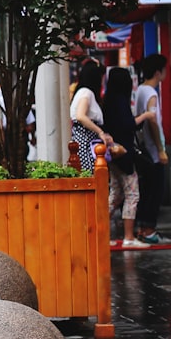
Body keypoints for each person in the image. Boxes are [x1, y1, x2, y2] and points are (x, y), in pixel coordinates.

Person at [103, 67, 150, 248]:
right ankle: (129, 237)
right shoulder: (120, 101)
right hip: (124, 155)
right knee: (132, 194)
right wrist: (146, 115)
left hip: (114, 156)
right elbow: (128, 124)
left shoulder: (108, 100)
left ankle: (103, 234)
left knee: (115, 195)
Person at [135, 53, 168, 244]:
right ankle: (149, 230)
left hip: (144, 148)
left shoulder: (140, 90)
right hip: (153, 151)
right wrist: (161, 148)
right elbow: (153, 122)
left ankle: (144, 229)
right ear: (158, 72)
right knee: (156, 190)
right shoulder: (152, 94)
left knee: (147, 190)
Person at [69, 63, 113, 174]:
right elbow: (80, 116)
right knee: (90, 176)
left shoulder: (82, 92)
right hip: (87, 143)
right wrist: (100, 132)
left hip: (84, 141)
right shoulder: (86, 93)